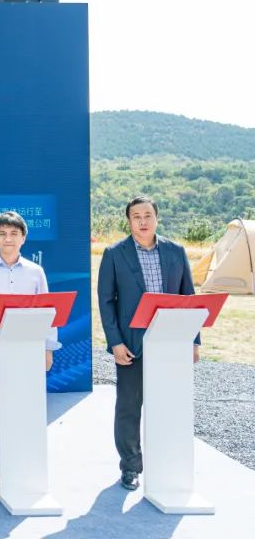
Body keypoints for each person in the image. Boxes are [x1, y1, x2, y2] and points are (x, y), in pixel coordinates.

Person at [98, 195, 198, 491]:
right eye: (136, 217)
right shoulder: (114, 254)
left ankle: (166, 463)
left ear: (157, 218)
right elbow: (106, 302)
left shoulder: (176, 251)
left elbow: (189, 297)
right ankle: (131, 466)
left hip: (171, 344)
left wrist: (193, 340)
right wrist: (115, 342)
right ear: (129, 221)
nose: (142, 221)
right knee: (129, 407)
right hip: (132, 345)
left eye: (147, 215)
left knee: (169, 405)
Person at [0, 211, 58, 489]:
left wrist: (48, 347)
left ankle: (25, 461)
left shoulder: (35, 272)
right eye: (3, 234)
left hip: (30, 344)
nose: (8, 239)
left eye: (14, 234)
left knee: (27, 402)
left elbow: (48, 311)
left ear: (24, 238)